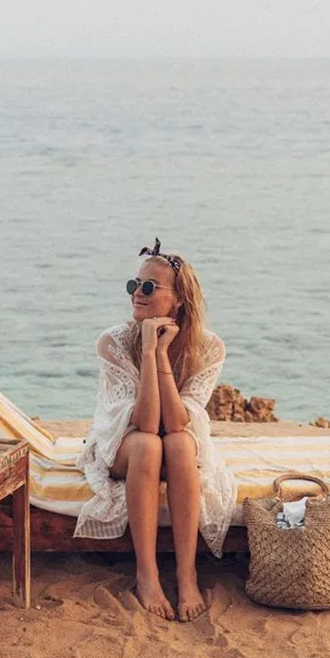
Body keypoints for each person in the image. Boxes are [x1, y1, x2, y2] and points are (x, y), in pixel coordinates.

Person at [74, 238, 237, 622]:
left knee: (179, 444)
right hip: (125, 442)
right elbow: (146, 423)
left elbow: (178, 422)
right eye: (134, 285)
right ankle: (146, 574)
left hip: (174, 442)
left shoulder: (208, 348)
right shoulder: (112, 343)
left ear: (178, 299)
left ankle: (186, 575)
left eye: (149, 287)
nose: (137, 293)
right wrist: (148, 351)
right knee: (149, 445)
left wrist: (162, 354)